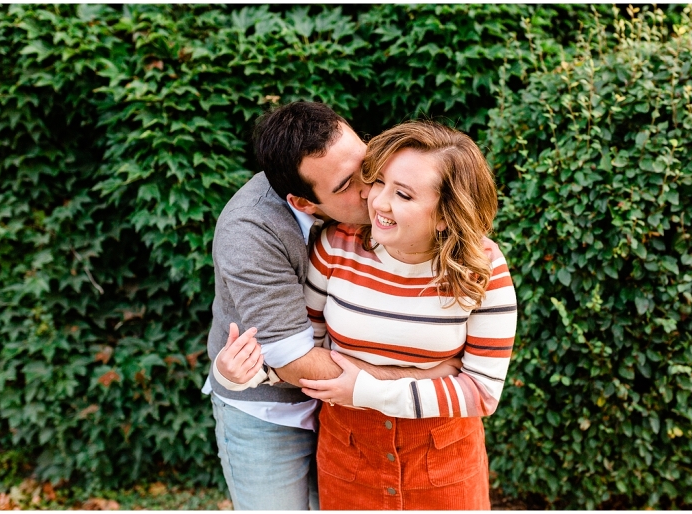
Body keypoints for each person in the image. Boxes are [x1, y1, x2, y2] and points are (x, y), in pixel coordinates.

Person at [203, 102, 461, 510]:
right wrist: (421, 375)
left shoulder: (378, 184)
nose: (370, 187)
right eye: (346, 186)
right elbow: (292, 360)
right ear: (304, 203)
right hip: (270, 413)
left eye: (364, 162)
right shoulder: (249, 234)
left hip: (349, 415)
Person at [298, 120, 518, 510]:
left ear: (447, 214)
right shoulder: (335, 247)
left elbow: (482, 393)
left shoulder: (482, 268)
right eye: (379, 182)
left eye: (403, 194)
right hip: (348, 454)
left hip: (443, 462)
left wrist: (366, 389)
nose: (378, 202)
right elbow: (306, 354)